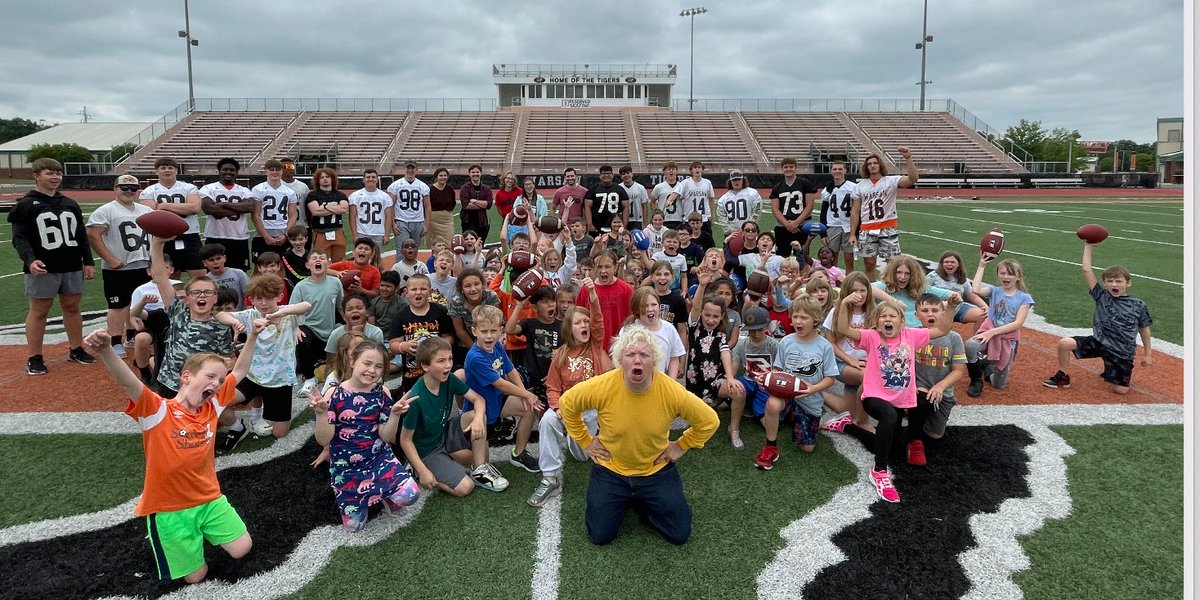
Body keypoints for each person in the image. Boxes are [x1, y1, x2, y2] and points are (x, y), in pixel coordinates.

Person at [82, 319, 259, 584]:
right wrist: (107, 349)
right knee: (195, 577)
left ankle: (197, 535)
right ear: (186, 376)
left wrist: (254, 334)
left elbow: (242, 369)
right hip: (169, 509)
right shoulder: (156, 409)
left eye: (220, 380)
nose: (217, 383)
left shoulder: (212, 407)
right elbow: (128, 382)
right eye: (210, 376)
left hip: (209, 499)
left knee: (242, 548)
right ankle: (175, 541)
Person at [559, 325, 719, 545]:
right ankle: (627, 499)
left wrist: (681, 445)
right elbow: (567, 403)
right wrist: (585, 441)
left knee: (679, 534)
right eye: (630, 354)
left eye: (644, 354)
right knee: (600, 536)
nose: (637, 360)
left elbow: (710, 421)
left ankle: (642, 502)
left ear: (654, 360)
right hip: (611, 469)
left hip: (655, 470)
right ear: (619, 360)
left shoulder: (670, 391)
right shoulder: (604, 385)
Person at [835, 294, 957, 503]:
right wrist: (844, 303)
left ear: (902, 320)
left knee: (890, 444)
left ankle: (847, 426)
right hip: (874, 397)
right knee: (889, 417)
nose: (888, 319)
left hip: (901, 399)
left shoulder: (912, 335)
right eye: (883, 316)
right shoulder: (871, 337)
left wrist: (952, 307)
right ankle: (879, 471)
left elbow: (943, 329)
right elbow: (843, 329)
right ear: (876, 322)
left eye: (893, 315)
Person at [310, 340, 420, 532]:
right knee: (354, 527)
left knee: (410, 495)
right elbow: (323, 439)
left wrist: (394, 414)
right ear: (353, 361)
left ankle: (386, 493)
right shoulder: (333, 394)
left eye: (378, 366)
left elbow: (386, 437)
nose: (372, 370)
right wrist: (321, 415)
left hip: (378, 459)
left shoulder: (383, 393)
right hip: (347, 469)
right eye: (367, 363)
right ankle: (367, 496)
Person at [10, 158, 97, 374]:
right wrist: (30, 260)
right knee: (39, 311)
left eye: (58, 173)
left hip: (70, 264)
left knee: (72, 307)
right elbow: (19, 238)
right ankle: (35, 356)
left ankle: (76, 349)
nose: (55, 177)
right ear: (36, 176)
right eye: (49, 173)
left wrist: (87, 261)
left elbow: (80, 236)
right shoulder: (26, 204)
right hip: (43, 267)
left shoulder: (69, 203)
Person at [528, 278, 610, 507]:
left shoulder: (593, 346)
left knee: (582, 455)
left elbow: (598, 321)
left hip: (590, 412)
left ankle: (575, 438)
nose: (585, 325)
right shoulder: (560, 355)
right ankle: (550, 477)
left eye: (586, 322)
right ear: (569, 328)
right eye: (578, 323)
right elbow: (553, 387)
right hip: (568, 409)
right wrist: (557, 408)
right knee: (547, 420)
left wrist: (592, 295)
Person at [215, 274, 311, 446]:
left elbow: (306, 305)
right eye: (259, 299)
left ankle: (266, 410)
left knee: (280, 434)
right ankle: (248, 421)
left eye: (268, 298)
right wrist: (234, 323)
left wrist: (281, 313)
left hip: (280, 380)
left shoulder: (289, 314)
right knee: (217, 402)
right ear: (251, 299)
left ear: (279, 297)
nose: (263, 303)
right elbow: (220, 315)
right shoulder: (251, 314)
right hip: (252, 376)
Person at [1045, 245, 1153, 394]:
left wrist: (1148, 354)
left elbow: (1144, 328)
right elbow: (1087, 270)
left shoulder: (1138, 305)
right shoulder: (1102, 296)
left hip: (1121, 351)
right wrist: (1088, 246)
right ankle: (1062, 376)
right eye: (1110, 281)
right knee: (1064, 343)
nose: (1114, 284)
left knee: (1121, 390)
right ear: (1105, 283)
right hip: (1099, 342)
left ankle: (1112, 367)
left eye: (1118, 281)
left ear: (1128, 283)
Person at [399, 337, 491, 497]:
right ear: (425, 366)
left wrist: (477, 419)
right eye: (441, 361)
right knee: (465, 488)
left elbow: (478, 399)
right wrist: (423, 471)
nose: (448, 365)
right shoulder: (416, 399)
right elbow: (405, 440)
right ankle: (415, 469)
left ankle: (479, 470)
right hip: (428, 450)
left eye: (450, 359)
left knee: (477, 418)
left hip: (444, 431)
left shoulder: (449, 379)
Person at [461, 304, 542, 483]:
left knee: (528, 408)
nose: (489, 336)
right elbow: (501, 384)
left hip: (497, 401)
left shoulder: (497, 346)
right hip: (478, 410)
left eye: (493, 330)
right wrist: (526, 394)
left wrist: (524, 394)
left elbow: (511, 370)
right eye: (484, 331)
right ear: (474, 331)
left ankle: (518, 453)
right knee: (481, 462)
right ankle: (478, 469)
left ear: (500, 330)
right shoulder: (475, 357)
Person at [86, 174, 152, 358]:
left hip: (143, 264)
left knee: (139, 303)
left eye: (133, 188)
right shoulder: (105, 211)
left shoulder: (145, 210)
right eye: (124, 187)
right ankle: (115, 340)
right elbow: (93, 235)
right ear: (115, 189)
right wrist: (110, 258)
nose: (128, 191)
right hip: (119, 267)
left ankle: (132, 335)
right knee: (118, 306)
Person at [964, 257, 1034, 398]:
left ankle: (987, 368)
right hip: (988, 332)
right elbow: (975, 290)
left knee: (998, 384)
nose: (1006, 277)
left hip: (1007, 338)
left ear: (1018, 277)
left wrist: (993, 332)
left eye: (1010, 274)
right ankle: (976, 379)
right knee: (970, 346)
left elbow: (1018, 323)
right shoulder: (994, 290)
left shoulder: (1025, 298)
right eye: (1002, 273)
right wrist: (982, 265)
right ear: (998, 275)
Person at [849, 147, 919, 281]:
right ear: (866, 167)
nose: (872, 166)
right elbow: (855, 211)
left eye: (875, 163)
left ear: (880, 164)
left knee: (893, 264)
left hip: (887, 227)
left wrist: (908, 158)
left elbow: (913, 178)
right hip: (867, 229)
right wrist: (853, 233)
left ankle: (892, 289)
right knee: (869, 265)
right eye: (869, 164)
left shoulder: (891, 181)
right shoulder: (860, 186)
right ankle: (872, 292)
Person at [912, 294, 968, 458]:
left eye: (935, 310)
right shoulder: (912, 334)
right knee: (921, 400)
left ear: (943, 313)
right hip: (918, 387)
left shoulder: (954, 338)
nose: (930, 314)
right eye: (925, 310)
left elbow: (958, 370)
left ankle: (922, 415)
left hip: (943, 391)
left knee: (935, 434)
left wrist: (940, 386)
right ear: (916, 315)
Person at [389, 274, 454, 393]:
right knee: (413, 402)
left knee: (438, 395)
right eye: (414, 289)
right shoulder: (400, 316)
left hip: (437, 369)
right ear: (406, 292)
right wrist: (403, 346)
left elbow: (448, 336)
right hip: (412, 374)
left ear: (430, 292)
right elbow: (393, 344)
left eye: (423, 289)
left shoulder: (440, 311)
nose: (418, 292)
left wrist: (441, 346)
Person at [139, 157, 204, 277]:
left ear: (176, 171)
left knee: (199, 274)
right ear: (157, 171)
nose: (167, 170)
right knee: (170, 276)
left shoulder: (189, 187)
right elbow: (151, 213)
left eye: (170, 167)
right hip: (163, 238)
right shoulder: (148, 191)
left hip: (190, 235)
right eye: (163, 168)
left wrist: (164, 205)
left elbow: (194, 208)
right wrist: (182, 207)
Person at [290, 252, 343, 391]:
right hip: (310, 329)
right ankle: (309, 379)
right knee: (302, 338)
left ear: (328, 264)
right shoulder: (301, 286)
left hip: (330, 330)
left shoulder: (336, 283)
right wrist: (295, 329)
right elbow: (291, 311)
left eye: (322, 258)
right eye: (314, 258)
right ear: (308, 265)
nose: (318, 260)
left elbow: (340, 307)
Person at [727, 306, 778, 449]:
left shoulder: (774, 345)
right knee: (737, 389)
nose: (755, 334)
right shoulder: (741, 345)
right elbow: (733, 369)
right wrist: (731, 380)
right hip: (748, 380)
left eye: (759, 329)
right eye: (751, 330)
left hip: (767, 384)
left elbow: (779, 370)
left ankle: (752, 407)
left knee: (769, 425)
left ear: (767, 328)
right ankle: (734, 429)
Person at [686, 273, 739, 408]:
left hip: (716, 380)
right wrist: (702, 285)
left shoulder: (720, 335)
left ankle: (733, 425)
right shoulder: (694, 328)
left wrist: (730, 377)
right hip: (695, 380)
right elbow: (696, 307)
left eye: (715, 316)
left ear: (722, 317)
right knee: (698, 416)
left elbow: (725, 352)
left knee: (738, 390)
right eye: (707, 315)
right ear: (702, 313)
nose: (710, 320)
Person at [199, 158, 255, 271]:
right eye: (225, 169)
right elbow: (209, 209)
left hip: (239, 237)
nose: (228, 172)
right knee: (214, 272)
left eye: (232, 170)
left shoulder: (244, 190)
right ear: (219, 171)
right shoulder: (208, 188)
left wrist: (223, 204)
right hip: (215, 236)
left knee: (239, 272)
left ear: (236, 172)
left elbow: (250, 207)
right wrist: (239, 209)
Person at [574, 251, 633, 353]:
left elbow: (632, 320)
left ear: (615, 267)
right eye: (599, 267)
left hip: (619, 349)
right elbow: (577, 319)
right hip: (592, 349)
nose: (603, 271)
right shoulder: (586, 290)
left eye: (607, 267)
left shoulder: (626, 290)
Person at [620, 286, 685, 378]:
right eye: (645, 306)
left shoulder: (668, 329)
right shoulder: (627, 330)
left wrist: (671, 382)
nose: (650, 309)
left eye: (654, 305)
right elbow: (620, 360)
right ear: (637, 309)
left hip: (660, 384)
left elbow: (674, 358)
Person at [769, 157, 818, 260]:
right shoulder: (777, 187)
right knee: (781, 257)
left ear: (796, 168)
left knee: (802, 256)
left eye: (791, 167)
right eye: (786, 167)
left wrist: (797, 222)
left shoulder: (805, 184)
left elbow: (810, 205)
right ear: (782, 169)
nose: (788, 169)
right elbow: (775, 208)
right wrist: (787, 224)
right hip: (783, 226)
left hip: (802, 225)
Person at [250, 159, 298, 263]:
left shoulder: (289, 192)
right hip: (263, 232)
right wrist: (266, 236)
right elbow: (255, 215)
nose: (274, 172)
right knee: (259, 268)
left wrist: (286, 235)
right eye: (271, 169)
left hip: (282, 230)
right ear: (266, 171)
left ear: (282, 171)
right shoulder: (258, 190)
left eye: (278, 169)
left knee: (282, 266)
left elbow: (293, 215)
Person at [925, 251, 988, 326]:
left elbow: (972, 296)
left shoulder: (962, 278)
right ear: (941, 264)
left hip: (957, 308)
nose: (949, 264)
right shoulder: (933, 276)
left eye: (953, 262)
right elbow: (921, 291)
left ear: (958, 264)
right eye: (946, 262)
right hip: (937, 310)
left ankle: (977, 337)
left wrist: (986, 308)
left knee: (983, 315)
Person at [819, 160, 858, 273]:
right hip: (833, 225)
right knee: (831, 258)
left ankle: (849, 283)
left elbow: (857, 210)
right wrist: (823, 232)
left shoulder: (853, 187)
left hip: (849, 226)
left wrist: (856, 231)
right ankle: (832, 282)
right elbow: (823, 211)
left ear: (845, 170)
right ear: (831, 171)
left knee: (849, 259)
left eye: (840, 169)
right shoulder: (827, 189)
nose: (837, 171)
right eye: (835, 169)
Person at [665, 162, 716, 249]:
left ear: (702, 170)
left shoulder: (707, 183)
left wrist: (713, 215)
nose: (697, 169)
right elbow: (676, 192)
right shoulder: (686, 183)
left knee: (707, 243)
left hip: (703, 218)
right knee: (688, 244)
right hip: (689, 218)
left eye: (699, 167)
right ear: (691, 170)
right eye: (695, 167)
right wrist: (670, 200)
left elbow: (711, 200)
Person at [307, 167, 350, 260]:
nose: (325, 179)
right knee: (321, 260)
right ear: (317, 180)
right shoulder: (313, 195)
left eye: (327, 176)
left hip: (337, 231)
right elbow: (316, 212)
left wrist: (325, 206)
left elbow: (344, 209)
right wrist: (335, 208)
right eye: (322, 177)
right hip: (320, 232)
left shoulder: (340, 195)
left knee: (339, 260)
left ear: (332, 178)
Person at [387, 162, 431, 250]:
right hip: (401, 221)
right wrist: (393, 224)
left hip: (418, 222)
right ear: (404, 169)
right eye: (408, 168)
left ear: (416, 169)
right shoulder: (395, 185)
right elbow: (390, 206)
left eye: (412, 168)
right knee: (402, 250)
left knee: (414, 250)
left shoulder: (423, 186)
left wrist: (426, 225)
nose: (410, 170)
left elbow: (427, 206)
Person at [348, 168, 393, 250]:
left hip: (379, 233)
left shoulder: (385, 197)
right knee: (361, 258)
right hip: (361, 232)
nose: (370, 179)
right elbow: (352, 217)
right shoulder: (355, 196)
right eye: (368, 177)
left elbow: (388, 217)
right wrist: (355, 235)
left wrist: (387, 235)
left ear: (377, 179)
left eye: (373, 177)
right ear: (363, 180)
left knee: (376, 259)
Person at [584, 165, 629, 236]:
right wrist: (589, 224)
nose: (606, 175)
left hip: (615, 225)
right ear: (600, 176)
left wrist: (624, 224)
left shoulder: (619, 189)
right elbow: (587, 207)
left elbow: (626, 207)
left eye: (608, 173)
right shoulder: (593, 189)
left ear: (612, 175)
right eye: (604, 174)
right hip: (597, 225)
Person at [716, 170, 761, 236]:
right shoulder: (723, 199)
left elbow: (757, 211)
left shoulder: (752, 193)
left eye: (739, 179)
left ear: (743, 180)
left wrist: (749, 226)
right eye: (734, 180)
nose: (736, 182)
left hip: (750, 231)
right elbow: (721, 217)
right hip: (732, 233)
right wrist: (730, 230)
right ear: (730, 181)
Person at [459, 164, 493, 244]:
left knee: (481, 244)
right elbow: (466, 205)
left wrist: (475, 201)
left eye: (477, 172)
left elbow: (489, 204)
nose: (475, 174)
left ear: (481, 173)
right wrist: (482, 205)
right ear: (469, 174)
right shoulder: (465, 188)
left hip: (482, 222)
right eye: (473, 172)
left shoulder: (486, 189)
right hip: (467, 222)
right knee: (469, 244)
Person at [280, 158, 310, 246]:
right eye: (287, 166)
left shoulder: (303, 186)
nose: (290, 169)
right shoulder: (277, 186)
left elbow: (307, 207)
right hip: (283, 226)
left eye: (291, 166)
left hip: (301, 225)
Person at [427, 167, 456, 250]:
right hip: (433, 220)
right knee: (434, 242)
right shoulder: (430, 189)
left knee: (449, 243)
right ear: (437, 177)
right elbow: (426, 205)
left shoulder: (450, 189)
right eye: (441, 175)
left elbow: (453, 203)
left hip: (447, 220)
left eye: (445, 175)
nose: (443, 177)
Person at [617, 165, 649, 232]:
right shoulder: (618, 188)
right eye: (623, 174)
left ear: (632, 174)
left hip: (637, 220)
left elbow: (644, 206)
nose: (626, 175)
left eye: (628, 173)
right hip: (621, 220)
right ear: (621, 177)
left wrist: (644, 223)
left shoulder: (640, 188)